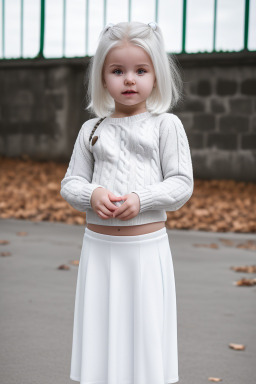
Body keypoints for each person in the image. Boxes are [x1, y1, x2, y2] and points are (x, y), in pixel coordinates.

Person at [60, 21, 194, 384]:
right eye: (118, 71)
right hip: (99, 251)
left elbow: (181, 183)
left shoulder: (165, 126)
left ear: (157, 76)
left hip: (144, 252)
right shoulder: (93, 130)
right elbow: (70, 183)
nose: (129, 79)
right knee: (102, 332)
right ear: (103, 79)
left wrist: (142, 197)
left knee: (144, 332)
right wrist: (92, 194)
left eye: (141, 70)